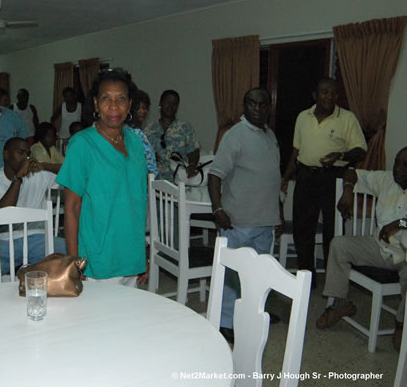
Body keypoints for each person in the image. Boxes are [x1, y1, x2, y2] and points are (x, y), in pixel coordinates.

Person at [57, 68, 148, 286]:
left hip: (131, 255)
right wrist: (74, 262)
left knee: (132, 319)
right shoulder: (82, 144)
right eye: (106, 99)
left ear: (129, 105)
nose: (114, 107)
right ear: (96, 104)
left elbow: (137, 203)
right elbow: (71, 208)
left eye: (121, 99)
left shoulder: (136, 144)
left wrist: (143, 254)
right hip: (97, 260)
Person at [208, 88, 282, 344]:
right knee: (232, 275)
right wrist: (218, 209)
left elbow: (272, 178)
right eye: (252, 103)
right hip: (238, 221)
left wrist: (277, 216)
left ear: (268, 107)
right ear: (244, 105)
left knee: (259, 274)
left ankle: (253, 315)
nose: (257, 109)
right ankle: (225, 323)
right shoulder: (235, 135)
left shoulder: (270, 135)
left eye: (262, 104)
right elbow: (215, 174)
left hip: (265, 221)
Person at [316, 147, 407, 351]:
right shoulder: (386, 180)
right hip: (379, 247)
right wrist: (348, 189)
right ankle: (340, 305)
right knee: (339, 245)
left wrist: (401, 223)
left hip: (405, 256)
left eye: (405, 165)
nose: (399, 169)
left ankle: (402, 325)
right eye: (397, 163)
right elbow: (351, 172)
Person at [281, 77, 367, 285]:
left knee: (333, 231)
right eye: (324, 92)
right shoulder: (303, 117)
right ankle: (306, 279)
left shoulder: (347, 118)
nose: (329, 96)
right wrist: (285, 177)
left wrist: (340, 155)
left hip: (333, 179)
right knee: (303, 230)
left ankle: (333, 281)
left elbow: (360, 151)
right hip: (305, 177)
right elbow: (296, 150)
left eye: (333, 93)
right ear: (315, 95)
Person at [0, 138, 67, 285]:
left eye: (28, 153)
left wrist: (45, 165)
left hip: (38, 238)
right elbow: (2, 215)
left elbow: (71, 170)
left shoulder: (38, 175)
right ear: (6, 154)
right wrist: (18, 178)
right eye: (20, 153)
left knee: (76, 250)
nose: (26, 157)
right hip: (4, 240)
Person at [144, 90, 201, 182]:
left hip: (180, 183)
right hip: (155, 183)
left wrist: (192, 165)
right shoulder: (148, 130)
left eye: (174, 103)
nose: (171, 106)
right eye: (168, 102)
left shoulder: (185, 128)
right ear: (160, 103)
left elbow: (194, 150)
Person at [126, 89, 158, 177]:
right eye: (137, 108)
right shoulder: (130, 132)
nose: (142, 111)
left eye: (144, 108)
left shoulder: (139, 131)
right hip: (141, 181)